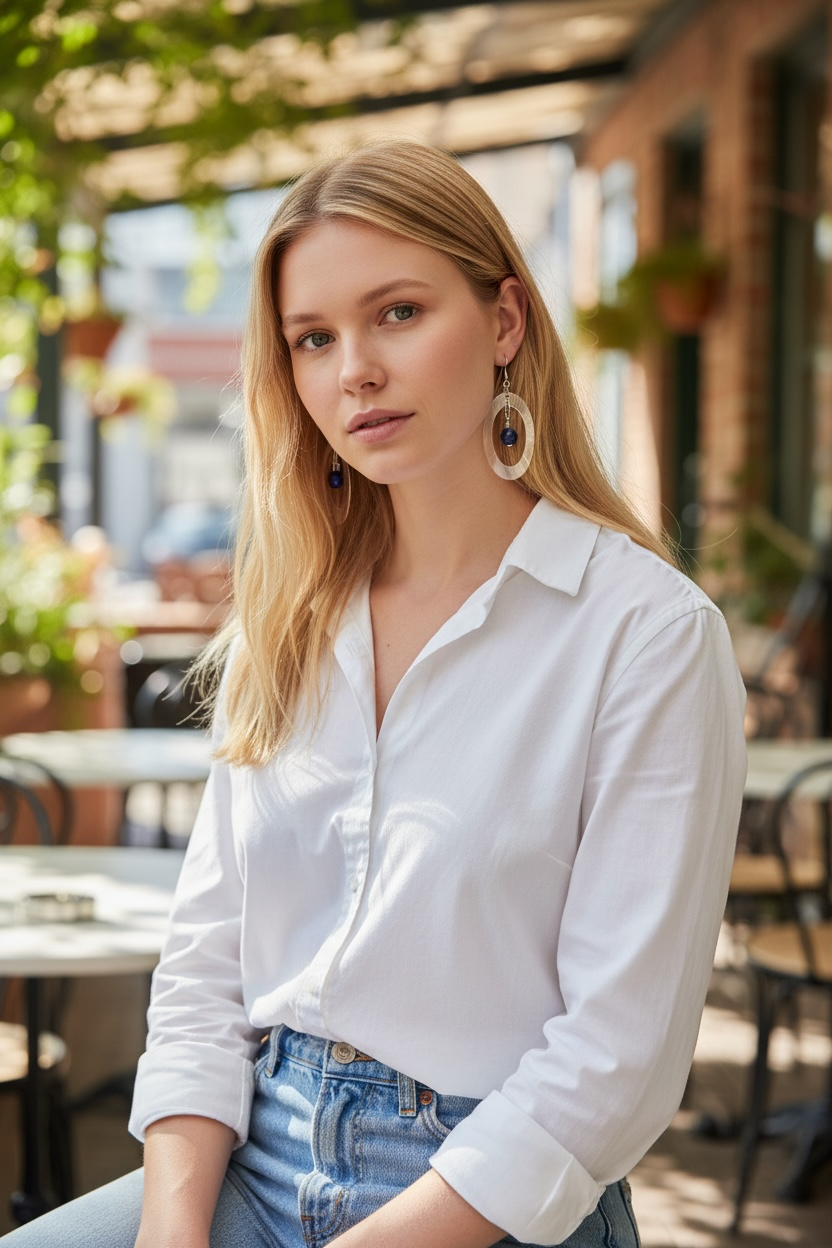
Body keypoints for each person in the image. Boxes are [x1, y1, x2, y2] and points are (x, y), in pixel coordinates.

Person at [7, 140, 746, 1248]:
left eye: (396, 313)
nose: (352, 368)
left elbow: (616, 1060)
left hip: (484, 1197)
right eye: (313, 338)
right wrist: (172, 1230)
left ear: (503, 322)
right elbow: (206, 962)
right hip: (248, 1159)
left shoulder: (647, 633)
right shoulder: (291, 616)